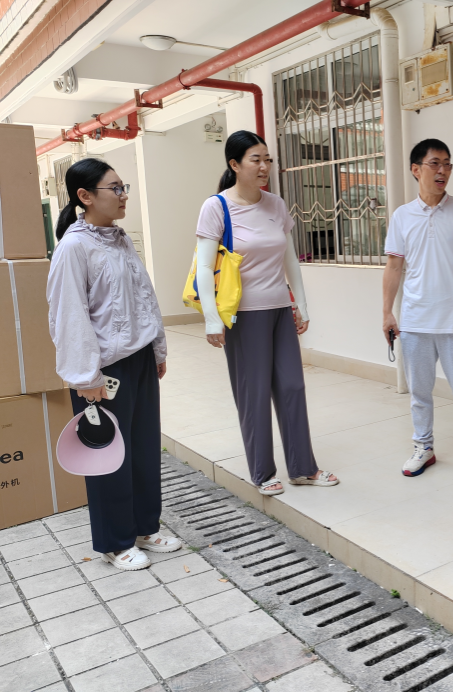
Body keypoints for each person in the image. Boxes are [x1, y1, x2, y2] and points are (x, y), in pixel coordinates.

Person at [47, 158, 179, 571]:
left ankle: (144, 527)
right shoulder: (74, 248)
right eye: (115, 188)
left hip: (137, 360)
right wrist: (85, 376)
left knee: (143, 449)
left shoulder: (121, 239)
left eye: (124, 188)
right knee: (108, 458)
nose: (123, 196)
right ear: (85, 196)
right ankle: (116, 541)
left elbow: (144, 297)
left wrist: (156, 349)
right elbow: (68, 316)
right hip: (102, 370)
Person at [196, 130, 338, 496]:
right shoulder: (217, 207)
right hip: (244, 314)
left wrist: (300, 303)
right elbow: (204, 268)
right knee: (253, 392)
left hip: (279, 309)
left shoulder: (275, 204)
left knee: (292, 386)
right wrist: (212, 318)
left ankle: (303, 468)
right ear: (234, 164)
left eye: (268, 160)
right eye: (256, 160)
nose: (264, 167)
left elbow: (289, 257)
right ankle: (262, 472)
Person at [383, 138, 453, 479]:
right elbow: (394, 267)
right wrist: (387, 312)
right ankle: (423, 447)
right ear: (416, 170)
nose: (442, 170)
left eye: (447, 164)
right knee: (419, 392)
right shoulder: (402, 216)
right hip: (415, 320)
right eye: (435, 163)